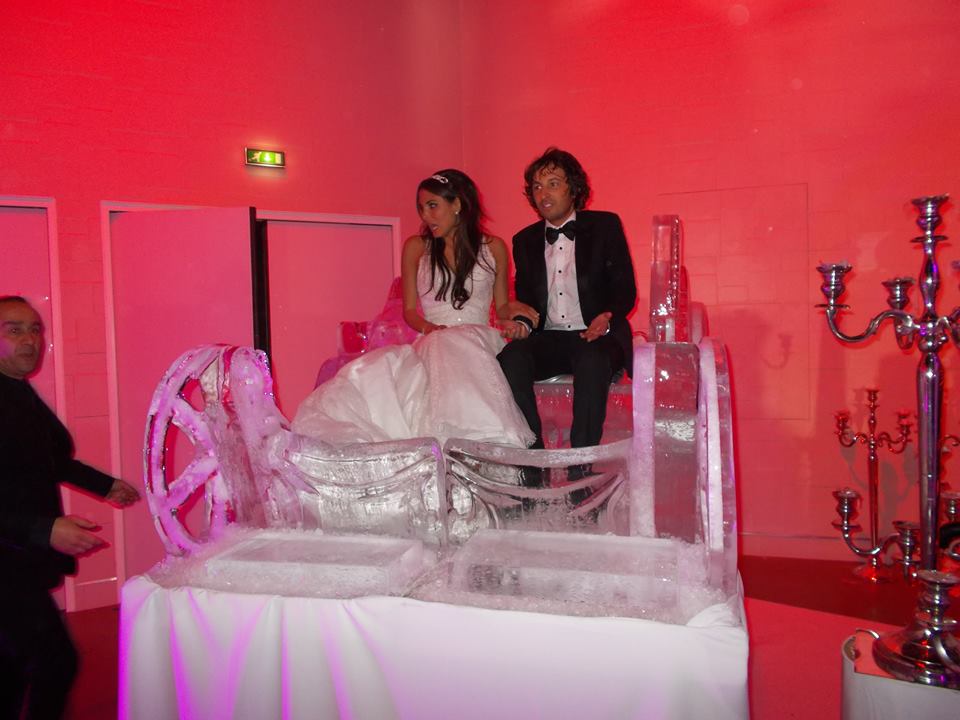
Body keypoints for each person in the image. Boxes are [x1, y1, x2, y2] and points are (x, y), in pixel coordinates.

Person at [293, 169, 536, 448]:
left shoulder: (494, 247)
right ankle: (449, 443)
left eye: (433, 206)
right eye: (422, 208)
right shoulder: (416, 247)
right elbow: (410, 311)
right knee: (435, 347)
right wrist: (429, 329)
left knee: (457, 343)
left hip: (478, 338)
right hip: (432, 338)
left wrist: (515, 318)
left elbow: (502, 305)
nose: (425, 216)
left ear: (457, 205)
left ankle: (479, 442)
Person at [0, 295, 140, 718]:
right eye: (15, 329)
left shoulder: (18, 393)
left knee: (15, 668)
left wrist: (106, 485)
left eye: (35, 329)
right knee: (55, 661)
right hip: (7, 558)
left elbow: (50, 458)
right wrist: (43, 529)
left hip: (19, 556)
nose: (30, 340)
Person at [498, 147, 637, 460]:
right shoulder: (524, 240)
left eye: (553, 183)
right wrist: (520, 324)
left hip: (596, 334)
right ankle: (535, 458)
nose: (543, 193)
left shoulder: (605, 226)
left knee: (591, 361)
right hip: (549, 338)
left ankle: (580, 464)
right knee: (510, 358)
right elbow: (529, 303)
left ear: (574, 189)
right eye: (536, 186)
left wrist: (607, 317)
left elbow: (625, 288)